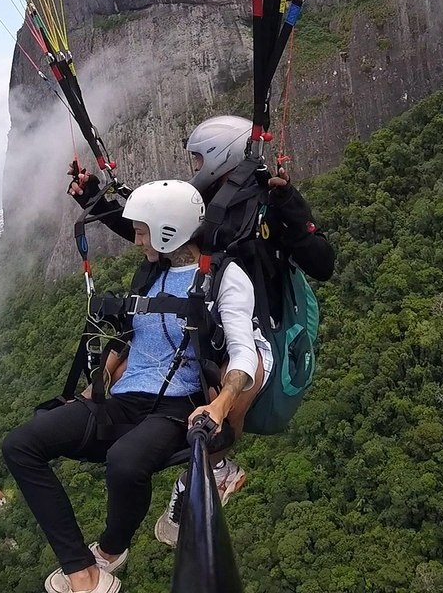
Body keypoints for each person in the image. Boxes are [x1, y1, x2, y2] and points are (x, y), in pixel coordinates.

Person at [68, 116, 335, 545]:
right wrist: (96, 197)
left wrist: (293, 210)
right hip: (200, 321)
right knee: (126, 364)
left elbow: (322, 262)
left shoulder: (264, 204)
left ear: (217, 155)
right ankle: (121, 439)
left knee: (223, 384)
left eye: (197, 157)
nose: (192, 164)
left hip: (245, 329)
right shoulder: (201, 203)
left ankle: (211, 468)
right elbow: (155, 234)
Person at [4, 180, 267, 593]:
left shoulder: (225, 277)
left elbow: (242, 351)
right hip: (126, 398)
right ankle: (83, 572)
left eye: (143, 231)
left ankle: (110, 549)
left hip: (179, 403)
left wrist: (220, 407)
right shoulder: (150, 273)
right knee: (21, 444)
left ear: (168, 230)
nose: (136, 239)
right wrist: (99, 382)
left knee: (124, 462)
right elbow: (129, 335)